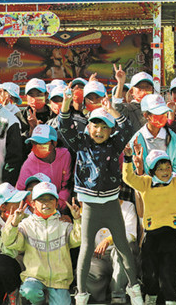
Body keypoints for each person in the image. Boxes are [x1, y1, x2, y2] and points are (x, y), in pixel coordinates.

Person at [57, 88, 144, 305]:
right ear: (88, 127)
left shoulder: (115, 145)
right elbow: (64, 126)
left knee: (123, 248)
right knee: (86, 250)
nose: (99, 131)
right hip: (89, 206)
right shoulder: (81, 143)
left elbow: (128, 127)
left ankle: (134, 290)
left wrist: (111, 109)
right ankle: (81, 295)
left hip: (111, 204)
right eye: (95, 125)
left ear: (111, 130)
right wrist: (66, 103)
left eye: (105, 127)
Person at [122, 140, 176, 305]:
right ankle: (151, 296)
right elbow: (128, 178)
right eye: (160, 169)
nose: (165, 172)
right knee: (149, 269)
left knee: (169, 269)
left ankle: (170, 298)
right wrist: (128, 159)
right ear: (152, 171)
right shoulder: (146, 183)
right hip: (151, 236)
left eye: (168, 167)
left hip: (171, 235)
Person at [2, 182, 82, 305]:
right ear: (33, 203)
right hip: (35, 278)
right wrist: (13, 224)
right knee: (29, 291)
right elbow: (10, 242)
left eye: (50, 199)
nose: (46, 203)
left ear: (56, 203)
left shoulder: (63, 225)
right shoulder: (26, 225)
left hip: (59, 281)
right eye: (41, 199)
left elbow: (78, 240)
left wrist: (77, 219)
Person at [130, 94, 176, 176]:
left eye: (164, 113)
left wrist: (167, 180)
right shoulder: (137, 140)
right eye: (158, 113)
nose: (162, 116)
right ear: (146, 116)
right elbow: (132, 171)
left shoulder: (173, 139)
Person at [16, 124, 73, 208]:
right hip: (37, 208)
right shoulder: (28, 164)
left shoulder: (65, 155)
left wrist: (58, 205)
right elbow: (19, 192)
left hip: (59, 206)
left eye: (42, 143)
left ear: (54, 143)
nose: (37, 146)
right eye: (34, 143)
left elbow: (66, 185)